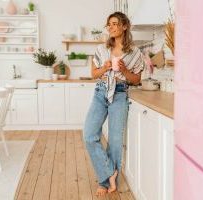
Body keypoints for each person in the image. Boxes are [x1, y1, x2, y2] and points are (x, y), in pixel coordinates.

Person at [83, 12, 145, 197]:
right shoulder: (102, 49)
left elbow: (135, 80)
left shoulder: (135, 52)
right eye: (109, 24)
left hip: (119, 94)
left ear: (124, 26)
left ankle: (107, 182)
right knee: (89, 135)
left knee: (115, 141)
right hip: (100, 92)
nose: (110, 27)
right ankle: (110, 172)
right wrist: (105, 67)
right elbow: (94, 74)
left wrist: (124, 70)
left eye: (115, 24)